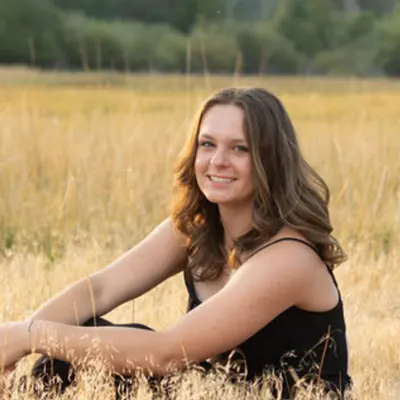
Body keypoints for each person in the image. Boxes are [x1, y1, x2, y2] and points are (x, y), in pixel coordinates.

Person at [0, 87, 352, 399]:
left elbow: (168, 353)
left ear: (271, 161)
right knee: (75, 349)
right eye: (207, 144)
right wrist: (13, 346)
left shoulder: (289, 257)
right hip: (211, 392)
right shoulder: (197, 228)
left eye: (239, 149)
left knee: (97, 347)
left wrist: (31, 334)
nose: (217, 161)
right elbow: (102, 288)